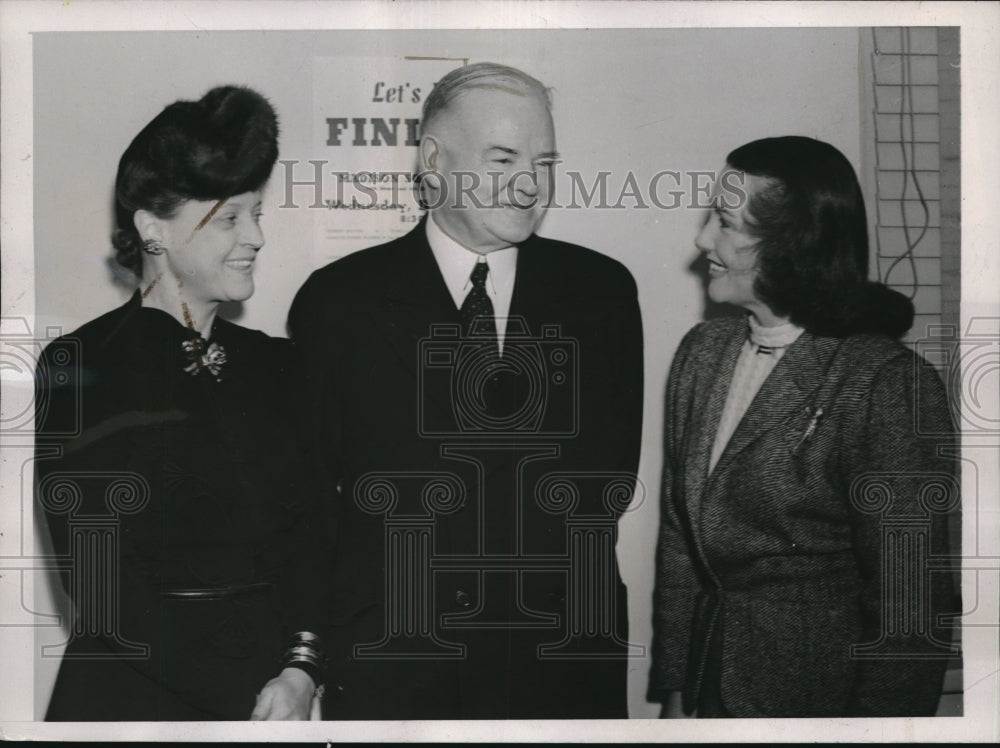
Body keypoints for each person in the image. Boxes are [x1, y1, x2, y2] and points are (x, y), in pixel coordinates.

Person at [289, 62, 643, 719]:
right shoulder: (337, 303)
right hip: (397, 671)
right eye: (504, 158)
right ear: (433, 162)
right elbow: (314, 504)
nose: (530, 184)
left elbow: (609, 480)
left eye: (544, 161)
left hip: (561, 669)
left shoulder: (603, 293)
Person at [35, 86, 328, 721]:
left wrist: (301, 668)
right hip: (135, 698)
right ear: (151, 227)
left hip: (272, 696)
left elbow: (314, 538)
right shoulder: (81, 366)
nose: (256, 237)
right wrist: (240, 700)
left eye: (257, 213)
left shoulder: (279, 363)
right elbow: (100, 583)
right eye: (229, 218)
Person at [648, 135, 960, 718]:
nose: (701, 240)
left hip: (821, 706)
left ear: (794, 244)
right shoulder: (701, 352)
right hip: (710, 694)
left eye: (725, 223)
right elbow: (679, 545)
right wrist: (675, 694)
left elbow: (910, 606)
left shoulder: (884, 382)